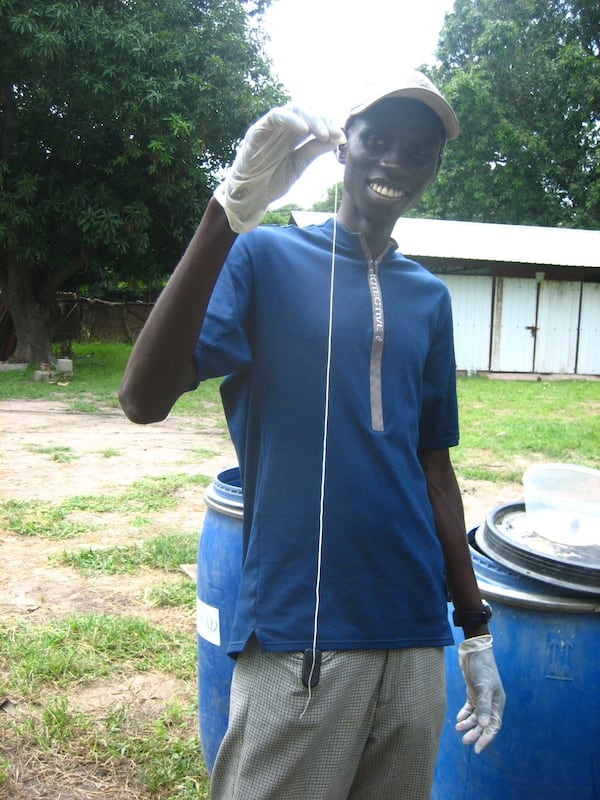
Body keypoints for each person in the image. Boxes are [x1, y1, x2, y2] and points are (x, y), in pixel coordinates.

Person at [119, 70, 505, 800]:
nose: (395, 161)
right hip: (303, 633)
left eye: (418, 151)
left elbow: (434, 469)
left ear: (433, 169)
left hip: (415, 637)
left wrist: (474, 628)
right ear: (344, 149)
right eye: (378, 141)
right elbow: (142, 398)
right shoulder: (265, 259)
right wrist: (225, 215)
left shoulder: (428, 296)